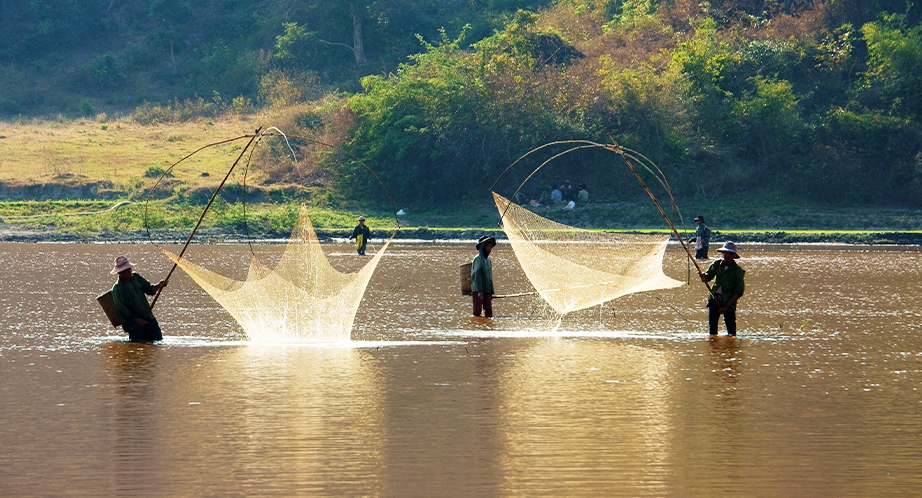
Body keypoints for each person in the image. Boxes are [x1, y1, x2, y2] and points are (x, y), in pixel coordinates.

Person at [110, 256, 168, 342]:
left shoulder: (136, 278)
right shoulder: (117, 289)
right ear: (121, 273)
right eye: (127, 270)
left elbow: (149, 289)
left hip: (148, 318)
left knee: (158, 341)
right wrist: (137, 320)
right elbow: (122, 310)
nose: (130, 271)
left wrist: (159, 286)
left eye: (130, 269)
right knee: (138, 343)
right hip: (134, 325)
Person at [698, 241, 745, 336]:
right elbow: (708, 276)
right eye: (724, 253)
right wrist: (704, 277)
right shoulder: (717, 264)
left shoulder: (737, 271)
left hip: (728, 302)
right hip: (715, 299)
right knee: (712, 331)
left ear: (733, 255)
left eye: (728, 253)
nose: (725, 255)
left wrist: (726, 307)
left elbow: (739, 291)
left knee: (731, 332)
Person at [471, 235, 496, 318]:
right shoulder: (478, 259)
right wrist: (479, 291)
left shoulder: (488, 261)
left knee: (488, 313)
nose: (490, 249)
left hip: (487, 290)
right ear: (484, 247)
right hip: (478, 291)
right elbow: (477, 275)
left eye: (491, 247)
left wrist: (491, 291)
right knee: (477, 312)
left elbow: (489, 277)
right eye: (489, 246)